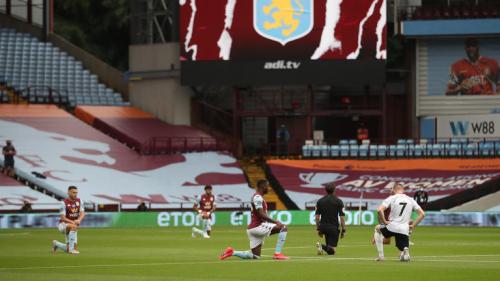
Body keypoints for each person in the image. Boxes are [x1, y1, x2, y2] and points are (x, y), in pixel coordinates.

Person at [219, 179, 289, 260]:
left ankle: (232, 252)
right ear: (262, 186)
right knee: (283, 227)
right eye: (267, 186)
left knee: (255, 256)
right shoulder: (258, 197)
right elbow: (261, 214)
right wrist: (275, 221)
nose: (268, 188)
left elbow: (261, 213)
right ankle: (277, 254)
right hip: (258, 226)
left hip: (252, 229)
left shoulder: (257, 197)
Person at [373, 184, 425, 262]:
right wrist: (413, 225)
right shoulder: (410, 199)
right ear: (403, 190)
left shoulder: (392, 198)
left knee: (377, 229)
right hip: (404, 229)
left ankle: (381, 256)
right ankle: (405, 250)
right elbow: (422, 214)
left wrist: (384, 221)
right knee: (402, 246)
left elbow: (379, 210)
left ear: (393, 190)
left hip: (392, 227)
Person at [52, 186, 85, 255]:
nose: (75, 194)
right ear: (68, 192)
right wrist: (73, 222)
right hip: (63, 225)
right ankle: (71, 249)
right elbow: (63, 218)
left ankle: (56, 244)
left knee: (68, 249)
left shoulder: (79, 201)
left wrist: (79, 220)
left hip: (73, 226)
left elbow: (82, 213)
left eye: (76, 192)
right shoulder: (63, 203)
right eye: (73, 192)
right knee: (74, 227)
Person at [314, 183, 346, 255]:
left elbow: (317, 217)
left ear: (326, 190)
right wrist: (343, 230)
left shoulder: (320, 201)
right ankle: (321, 246)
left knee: (329, 249)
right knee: (332, 251)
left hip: (323, 227)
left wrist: (318, 228)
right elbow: (342, 218)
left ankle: (322, 248)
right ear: (334, 190)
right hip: (333, 228)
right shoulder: (339, 201)